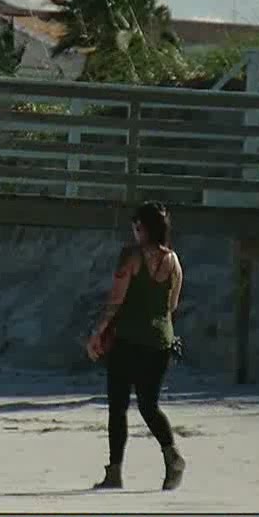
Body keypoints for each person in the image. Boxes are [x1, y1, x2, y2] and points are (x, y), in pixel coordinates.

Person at [85, 201, 185, 491]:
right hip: (160, 342)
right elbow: (172, 304)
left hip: (128, 341)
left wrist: (97, 333)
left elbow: (115, 301)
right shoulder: (174, 262)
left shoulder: (131, 256)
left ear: (143, 227)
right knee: (149, 406)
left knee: (118, 406)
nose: (134, 229)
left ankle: (114, 472)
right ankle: (173, 456)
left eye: (136, 225)